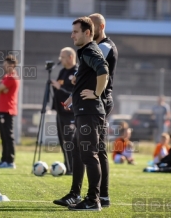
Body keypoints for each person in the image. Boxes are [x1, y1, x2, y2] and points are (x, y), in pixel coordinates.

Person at [53, 13, 118, 209]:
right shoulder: (86, 51)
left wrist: (96, 93)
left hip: (92, 109)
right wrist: (73, 97)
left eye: (75, 32)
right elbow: (85, 78)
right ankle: (81, 195)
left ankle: (94, 199)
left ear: (88, 32)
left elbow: (103, 71)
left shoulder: (93, 49)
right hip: (85, 108)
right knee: (80, 148)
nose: (72, 35)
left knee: (90, 153)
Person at [51, 47, 77, 174]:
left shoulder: (76, 72)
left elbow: (73, 92)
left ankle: (73, 167)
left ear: (71, 57)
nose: (60, 60)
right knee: (62, 139)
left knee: (69, 139)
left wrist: (59, 87)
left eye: (63, 57)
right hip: (60, 112)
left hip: (70, 113)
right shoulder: (62, 72)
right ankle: (67, 165)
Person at [0, 55, 20, 169]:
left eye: (6, 65)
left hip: (8, 110)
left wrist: (0, 88)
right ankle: (4, 160)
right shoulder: (6, 77)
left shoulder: (12, 77)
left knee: (8, 136)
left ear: (12, 65)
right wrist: (0, 89)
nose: (4, 66)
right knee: (3, 136)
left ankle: (10, 161)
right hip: (2, 109)